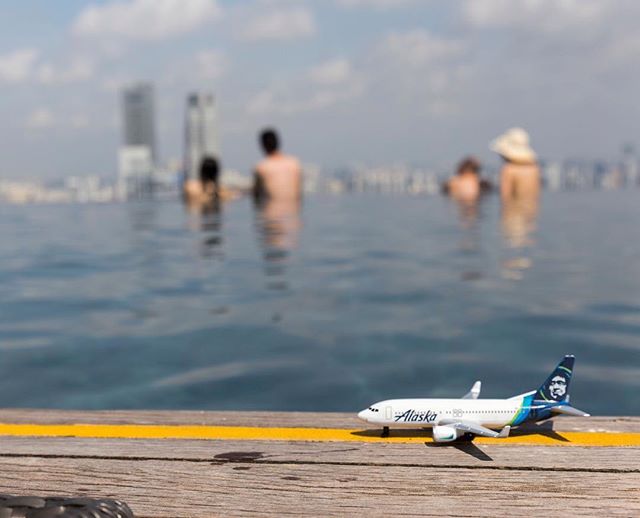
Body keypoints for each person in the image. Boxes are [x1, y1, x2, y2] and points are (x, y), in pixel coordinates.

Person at [491, 128, 540, 201]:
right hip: (530, 209)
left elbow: (505, 195)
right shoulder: (534, 168)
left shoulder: (509, 169)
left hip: (512, 211)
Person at [253, 128, 302, 201]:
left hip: (270, 210)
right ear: (278, 142)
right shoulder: (294, 163)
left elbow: (257, 195)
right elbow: (299, 193)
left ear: (263, 145)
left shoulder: (261, 167)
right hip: (293, 209)